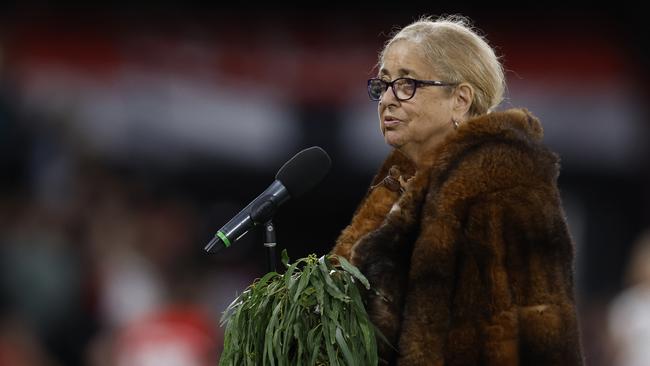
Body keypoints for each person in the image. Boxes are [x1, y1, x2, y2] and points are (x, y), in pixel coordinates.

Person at [331, 15, 583, 365]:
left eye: (407, 84)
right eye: (384, 84)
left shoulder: (505, 191)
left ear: (461, 99)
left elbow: (534, 340)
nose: (387, 99)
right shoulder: (393, 191)